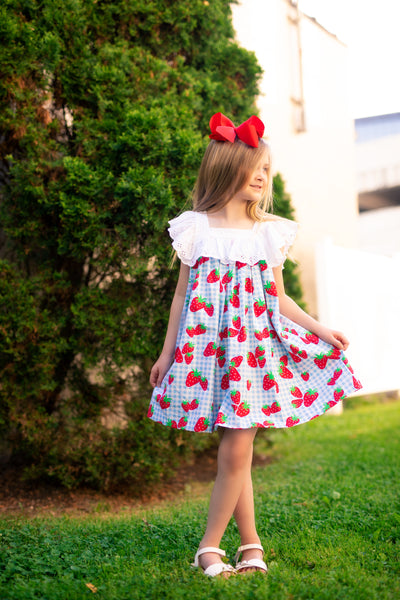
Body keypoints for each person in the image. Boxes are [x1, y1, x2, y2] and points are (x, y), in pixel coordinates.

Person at [148, 112, 362, 577]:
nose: (264, 178)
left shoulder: (268, 232)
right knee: (236, 447)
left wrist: (322, 330)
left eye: (267, 170)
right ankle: (248, 545)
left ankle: (212, 547)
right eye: (256, 169)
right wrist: (167, 354)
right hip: (205, 352)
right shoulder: (195, 228)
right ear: (226, 169)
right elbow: (181, 297)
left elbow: (279, 300)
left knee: (238, 446)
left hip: (252, 355)